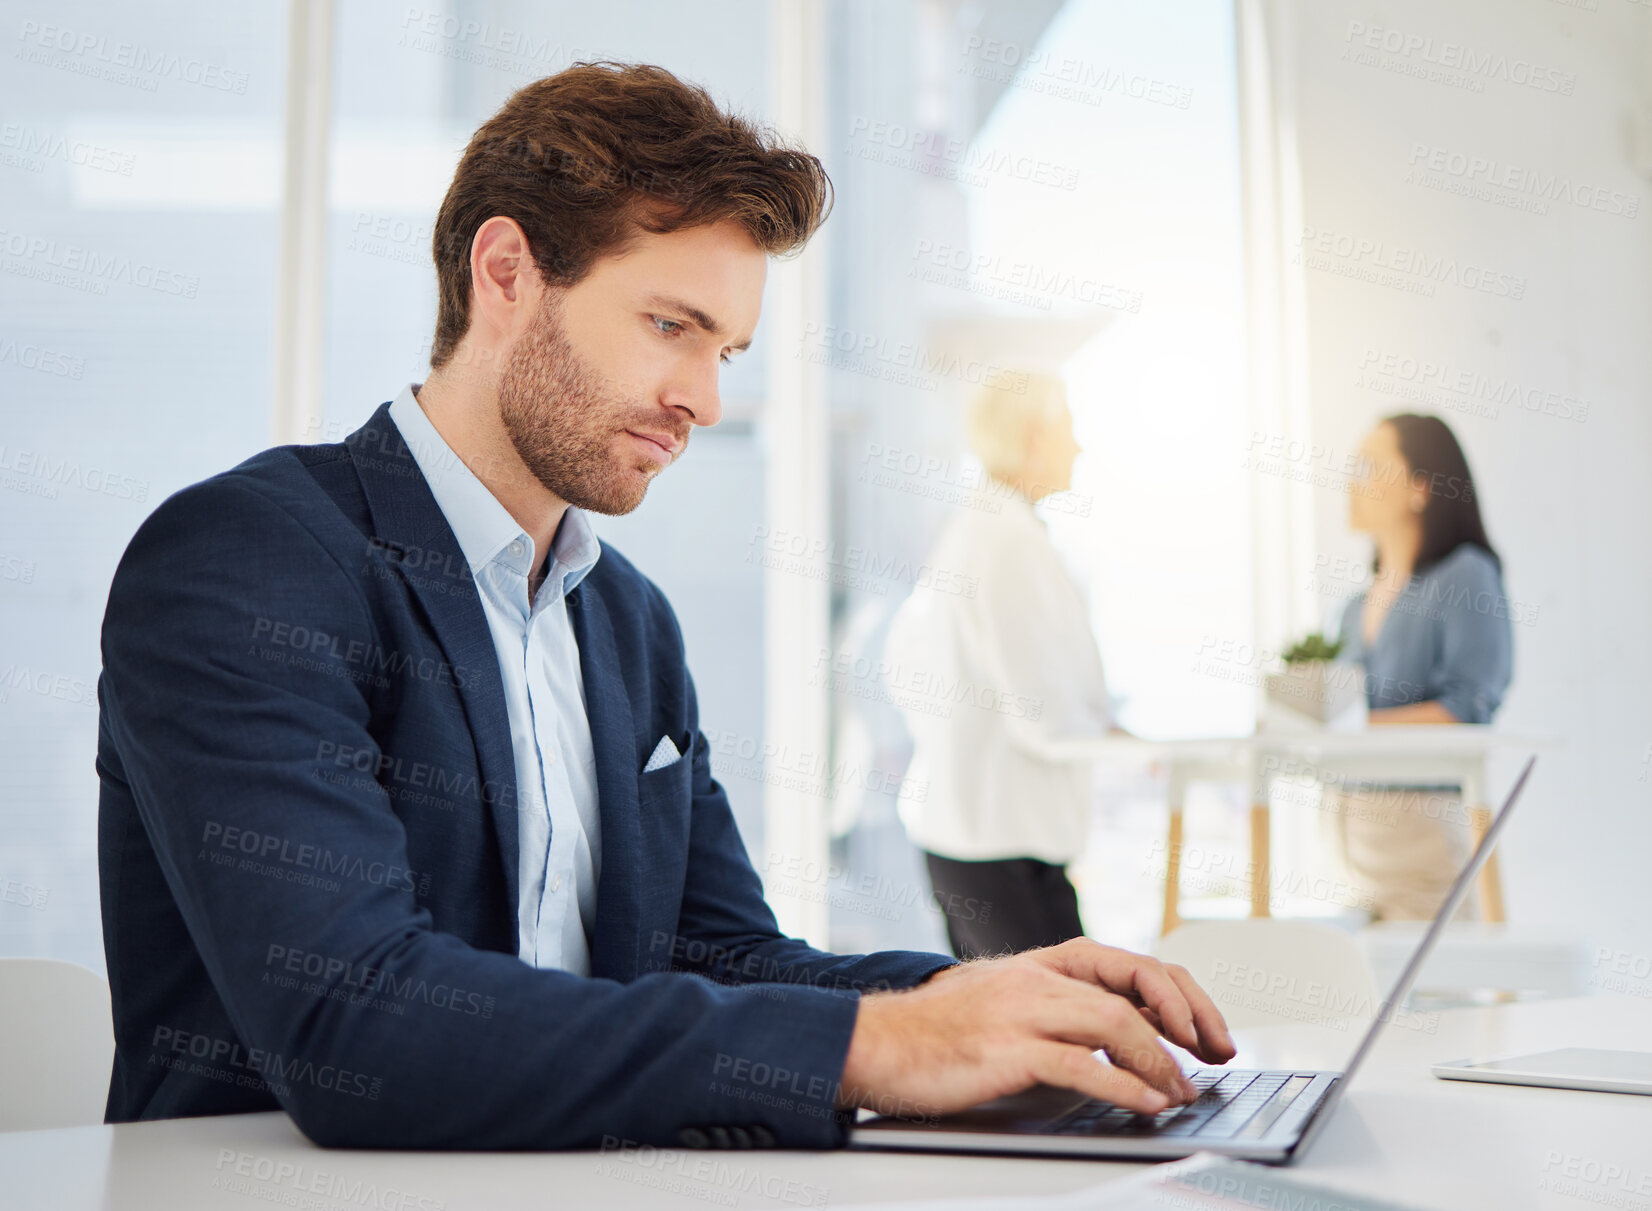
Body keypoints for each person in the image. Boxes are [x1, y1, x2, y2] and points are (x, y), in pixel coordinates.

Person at [95, 63, 1233, 1151]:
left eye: (725, 348)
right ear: (505, 273)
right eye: (670, 325)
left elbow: (719, 952)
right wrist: (874, 1042)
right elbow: (354, 1017)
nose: (704, 397)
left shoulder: (625, 621)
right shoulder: (248, 559)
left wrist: (970, 994)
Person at [885, 374, 1117, 959]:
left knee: (1030, 1030)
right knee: (1054, 1027)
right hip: (997, 842)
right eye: (1069, 431)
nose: (1080, 448)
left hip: (978, 835)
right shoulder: (1003, 541)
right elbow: (1041, 711)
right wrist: (1116, 741)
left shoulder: (983, 530)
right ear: (1034, 436)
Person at [1331, 413, 1514, 920]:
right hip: (1350, 839)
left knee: (1432, 996)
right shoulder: (1352, 606)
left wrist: (1350, 730)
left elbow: (1468, 707)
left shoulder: (1465, 575)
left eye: (1370, 466)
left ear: (1421, 486)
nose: (1353, 481)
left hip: (1423, 838)